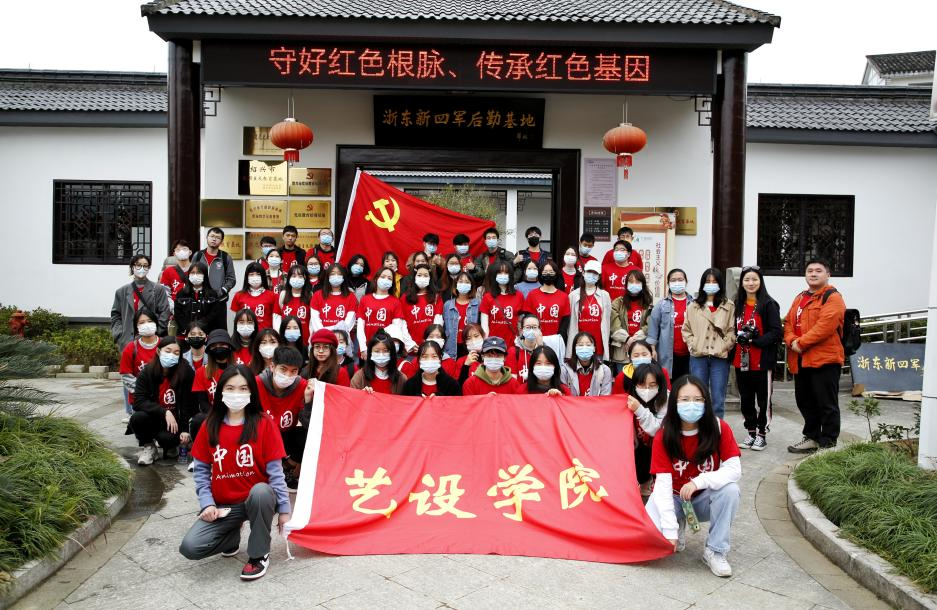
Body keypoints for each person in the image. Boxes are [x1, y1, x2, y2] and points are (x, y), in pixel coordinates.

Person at [179, 365, 291, 581]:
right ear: (221, 391)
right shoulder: (210, 424)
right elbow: (201, 471)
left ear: (251, 392)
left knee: (261, 491)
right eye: (230, 388)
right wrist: (207, 504)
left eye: (243, 388)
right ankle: (231, 537)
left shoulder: (264, 423)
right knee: (190, 547)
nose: (236, 394)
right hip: (225, 506)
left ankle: (259, 554)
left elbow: (276, 473)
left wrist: (284, 511)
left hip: (258, 501)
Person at [646, 376, 741, 578]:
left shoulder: (719, 427)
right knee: (650, 538)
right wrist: (669, 531)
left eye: (698, 400)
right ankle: (677, 523)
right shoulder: (664, 435)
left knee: (730, 490)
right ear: (674, 403)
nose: (692, 405)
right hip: (673, 498)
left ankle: (715, 550)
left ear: (706, 401)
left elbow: (734, 469)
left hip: (702, 498)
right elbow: (662, 486)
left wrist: (698, 482)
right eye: (685, 399)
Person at [784, 259, 846, 454]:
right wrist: (791, 340)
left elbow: (825, 326)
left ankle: (828, 443)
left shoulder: (833, 297)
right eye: (809, 270)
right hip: (801, 359)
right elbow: (788, 322)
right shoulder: (800, 297)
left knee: (826, 403)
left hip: (825, 359)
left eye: (818, 270)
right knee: (805, 401)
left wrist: (800, 343)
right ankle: (812, 437)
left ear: (828, 275)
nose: (813, 274)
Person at [733, 266, 782, 451]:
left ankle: (762, 434)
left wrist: (756, 340)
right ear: (741, 283)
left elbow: (776, 332)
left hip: (761, 361)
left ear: (760, 282)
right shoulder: (738, 304)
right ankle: (751, 432)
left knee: (763, 400)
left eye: (754, 279)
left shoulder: (769, 304)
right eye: (746, 280)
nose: (750, 283)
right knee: (745, 399)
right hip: (741, 360)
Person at [128, 337, 195, 465]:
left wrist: (185, 429)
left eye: (176, 353)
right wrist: (164, 412)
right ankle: (149, 447)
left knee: (167, 440)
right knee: (137, 418)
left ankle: (172, 446)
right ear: (159, 351)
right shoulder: (147, 372)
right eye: (168, 351)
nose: (171, 355)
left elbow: (188, 403)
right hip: (155, 418)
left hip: (176, 421)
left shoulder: (186, 372)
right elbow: (138, 401)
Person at [255, 346, 310, 489]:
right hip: (261, 436)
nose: (288, 375)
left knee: (305, 436)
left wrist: (308, 401)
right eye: (283, 369)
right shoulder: (257, 383)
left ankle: (286, 467)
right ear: (272, 366)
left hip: (285, 435)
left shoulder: (302, 386)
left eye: (293, 371)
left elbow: (307, 422)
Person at [683, 268, 736, 418]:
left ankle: (717, 427)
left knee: (718, 398)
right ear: (702, 284)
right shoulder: (693, 305)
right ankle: (700, 426)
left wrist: (724, 346)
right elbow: (686, 330)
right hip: (698, 356)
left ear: (720, 284)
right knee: (699, 395)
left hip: (719, 357)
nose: (711, 284)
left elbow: (732, 330)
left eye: (714, 281)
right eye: (708, 281)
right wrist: (693, 344)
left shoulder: (728, 305)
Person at [111, 254, 171, 351]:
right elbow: (116, 315)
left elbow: (164, 312)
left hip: (151, 339)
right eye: (138, 265)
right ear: (132, 267)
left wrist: (156, 331)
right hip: (128, 340)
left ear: (149, 268)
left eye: (145, 265)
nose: (142, 268)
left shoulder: (157, 289)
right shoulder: (121, 292)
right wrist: (119, 334)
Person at [626, 362, 670, 497]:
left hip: (663, 448)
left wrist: (639, 410)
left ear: (660, 385)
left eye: (652, 385)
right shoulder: (629, 399)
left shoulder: (667, 399)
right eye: (642, 385)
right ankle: (643, 483)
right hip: (639, 449)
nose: (647, 389)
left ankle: (656, 484)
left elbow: (658, 430)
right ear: (635, 385)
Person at [190, 330, 236, 448]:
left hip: (236, 413)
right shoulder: (201, 372)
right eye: (214, 346)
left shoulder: (239, 370)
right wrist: (218, 416)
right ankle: (200, 454)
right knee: (197, 420)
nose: (218, 348)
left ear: (229, 346)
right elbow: (203, 403)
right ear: (209, 349)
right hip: (213, 413)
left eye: (222, 345)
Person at [647, 268, 693, 381]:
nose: (677, 282)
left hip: (690, 353)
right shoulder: (661, 305)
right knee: (669, 383)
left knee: (687, 383)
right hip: (668, 354)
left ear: (686, 281)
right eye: (673, 280)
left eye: (680, 279)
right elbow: (653, 330)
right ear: (668, 283)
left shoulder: (694, 303)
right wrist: (652, 350)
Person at [119, 309, 161, 421]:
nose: (146, 325)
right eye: (142, 322)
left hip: (163, 398)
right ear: (136, 327)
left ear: (156, 323)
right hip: (140, 400)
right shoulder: (131, 348)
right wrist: (143, 391)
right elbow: (126, 375)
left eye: (150, 321)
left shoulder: (165, 345)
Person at [567, 260, 612, 362]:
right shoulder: (573, 295)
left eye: (595, 273)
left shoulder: (605, 295)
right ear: (583, 273)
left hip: (598, 343)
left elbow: (608, 320)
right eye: (589, 272)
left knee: (598, 369)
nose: (591, 275)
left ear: (599, 277)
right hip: (579, 343)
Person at [356, 267, 406, 357]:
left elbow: (396, 328)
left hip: (386, 350)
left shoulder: (396, 302)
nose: (386, 280)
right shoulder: (365, 299)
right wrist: (363, 348)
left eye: (389, 278)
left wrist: (389, 348)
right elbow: (360, 326)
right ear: (376, 279)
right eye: (383, 277)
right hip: (366, 349)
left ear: (392, 283)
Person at [610, 269, 654, 368]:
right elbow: (614, 326)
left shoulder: (648, 304)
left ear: (643, 284)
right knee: (623, 377)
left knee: (642, 376)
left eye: (637, 282)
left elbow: (649, 326)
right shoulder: (618, 303)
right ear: (626, 284)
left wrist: (634, 339)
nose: (634, 284)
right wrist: (627, 339)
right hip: (622, 350)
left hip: (641, 350)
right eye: (631, 282)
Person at [507, 312, 566, 382]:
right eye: (528, 327)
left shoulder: (547, 350)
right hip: (521, 388)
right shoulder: (513, 351)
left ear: (540, 329)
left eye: (535, 327)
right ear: (522, 330)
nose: (531, 330)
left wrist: (540, 346)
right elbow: (512, 381)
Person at [174, 261, 226, 336]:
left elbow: (214, 313)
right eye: (192, 273)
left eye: (198, 273)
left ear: (204, 275)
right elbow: (178, 314)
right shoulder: (181, 293)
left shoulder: (212, 294)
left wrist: (201, 326)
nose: (195, 275)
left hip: (207, 332)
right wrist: (188, 328)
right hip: (186, 333)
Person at [191, 227, 237, 311]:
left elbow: (232, 279)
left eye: (218, 237)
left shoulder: (225, 257)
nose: (214, 239)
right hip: (199, 299)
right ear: (207, 237)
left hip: (219, 300)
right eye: (212, 236)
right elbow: (190, 274)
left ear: (221, 241)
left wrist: (223, 290)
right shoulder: (198, 255)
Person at [400, 264, 444, 350]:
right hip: (412, 346)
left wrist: (432, 341)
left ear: (430, 278)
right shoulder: (405, 298)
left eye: (426, 275)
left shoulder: (436, 297)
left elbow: (438, 322)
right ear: (414, 277)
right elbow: (401, 323)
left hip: (431, 346)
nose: (422, 278)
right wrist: (409, 344)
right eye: (419, 275)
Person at [524, 259, 570, 341]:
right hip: (536, 339)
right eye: (545, 272)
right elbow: (528, 318)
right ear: (540, 274)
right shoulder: (532, 295)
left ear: (556, 274)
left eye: (551, 272)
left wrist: (559, 337)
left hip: (556, 340)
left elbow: (565, 321)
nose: (548, 274)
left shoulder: (564, 296)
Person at [480, 261, 523, 345]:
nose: (503, 275)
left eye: (506, 273)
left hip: (513, 343)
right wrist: (487, 342)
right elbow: (484, 325)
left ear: (510, 275)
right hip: (493, 343)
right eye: (499, 272)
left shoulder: (519, 296)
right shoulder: (487, 297)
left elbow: (521, 322)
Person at [310, 263, 358, 336]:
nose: (336, 276)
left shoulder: (351, 297)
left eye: (339, 274)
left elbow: (349, 322)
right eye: (332, 274)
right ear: (328, 276)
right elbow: (315, 321)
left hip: (342, 338)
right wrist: (325, 334)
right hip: (322, 337)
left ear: (343, 277)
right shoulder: (317, 295)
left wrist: (338, 335)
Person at [561, 331, 613, 396]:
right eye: (580, 345)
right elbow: (563, 396)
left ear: (594, 348)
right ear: (575, 348)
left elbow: (605, 397)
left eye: (588, 345)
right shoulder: (565, 370)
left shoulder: (605, 370)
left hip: (596, 403)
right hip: (571, 403)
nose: (584, 348)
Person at [442, 271, 479, 359]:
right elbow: (444, 327)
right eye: (461, 281)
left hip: (472, 345)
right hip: (452, 346)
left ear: (471, 285)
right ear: (456, 284)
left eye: (467, 282)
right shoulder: (448, 305)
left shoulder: (477, 304)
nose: (463, 284)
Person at [230, 262, 279, 330]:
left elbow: (276, 320)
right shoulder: (238, 296)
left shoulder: (272, 296)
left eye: (258, 274)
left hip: (265, 335)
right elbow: (235, 320)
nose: (255, 277)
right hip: (246, 334)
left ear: (263, 277)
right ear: (247, 277)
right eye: (251, 274)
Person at [278, 265, 313, 346]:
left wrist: (310, 339)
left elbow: (312, 320)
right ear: (289, 278)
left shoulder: (310, 296)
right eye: (293, 276)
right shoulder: (283, 294)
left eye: (300, 276)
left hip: (304, 340)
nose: (297, 279)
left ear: (305, 279)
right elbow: (278, 316)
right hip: (285, 339)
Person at [160, 239, 194, 304]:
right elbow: (165, 293)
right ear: (174, 254)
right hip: (175, 306)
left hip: (193, 305)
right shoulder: (168, 271)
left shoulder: (197, 269)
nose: (181, 251)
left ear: (190, 252)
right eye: (178, 249)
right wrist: (173, 307)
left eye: (184, 249)